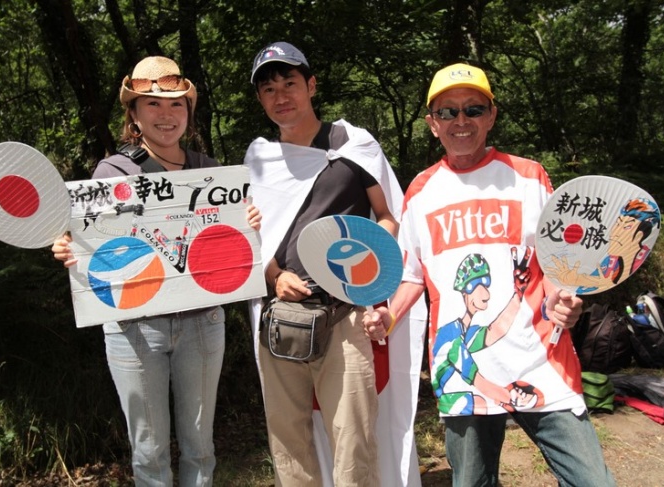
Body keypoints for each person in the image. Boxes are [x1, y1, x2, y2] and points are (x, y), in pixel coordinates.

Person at [363, 63, 616, 486]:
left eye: (473, 109)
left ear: (491, 116)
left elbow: (555, 260)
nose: (461, 121)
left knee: (592, 481)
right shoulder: (421, 192)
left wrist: (560, 299)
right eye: (447, 112)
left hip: (540, 360)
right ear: (432, 124)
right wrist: (388, 317)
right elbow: (412, 276)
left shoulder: (528, 175)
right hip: (462, 373)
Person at [52, 56, 261, 487]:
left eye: (176, 105)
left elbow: (226, 248)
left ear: (188, 112)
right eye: (152, 104)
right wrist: (70, 247)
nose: (166, 115)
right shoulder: (111, 172)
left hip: (203, 323)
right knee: (148, 451)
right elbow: (96, 249)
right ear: (133, 114)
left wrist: (249, 225)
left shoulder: (210, 170)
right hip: (133, 326)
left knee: (200, 446)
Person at [244, 42, 426, 486]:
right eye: (269, 89)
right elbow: (250, 237)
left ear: (311, 85)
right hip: (278, 318)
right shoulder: (258, 160)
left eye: (289, 83)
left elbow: (388, 215)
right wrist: (274, 276)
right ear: (261, 100)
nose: (281, 95)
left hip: (344, 314)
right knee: (288, 440)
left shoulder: (351, 144)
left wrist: (365, 272)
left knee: (353, 439)